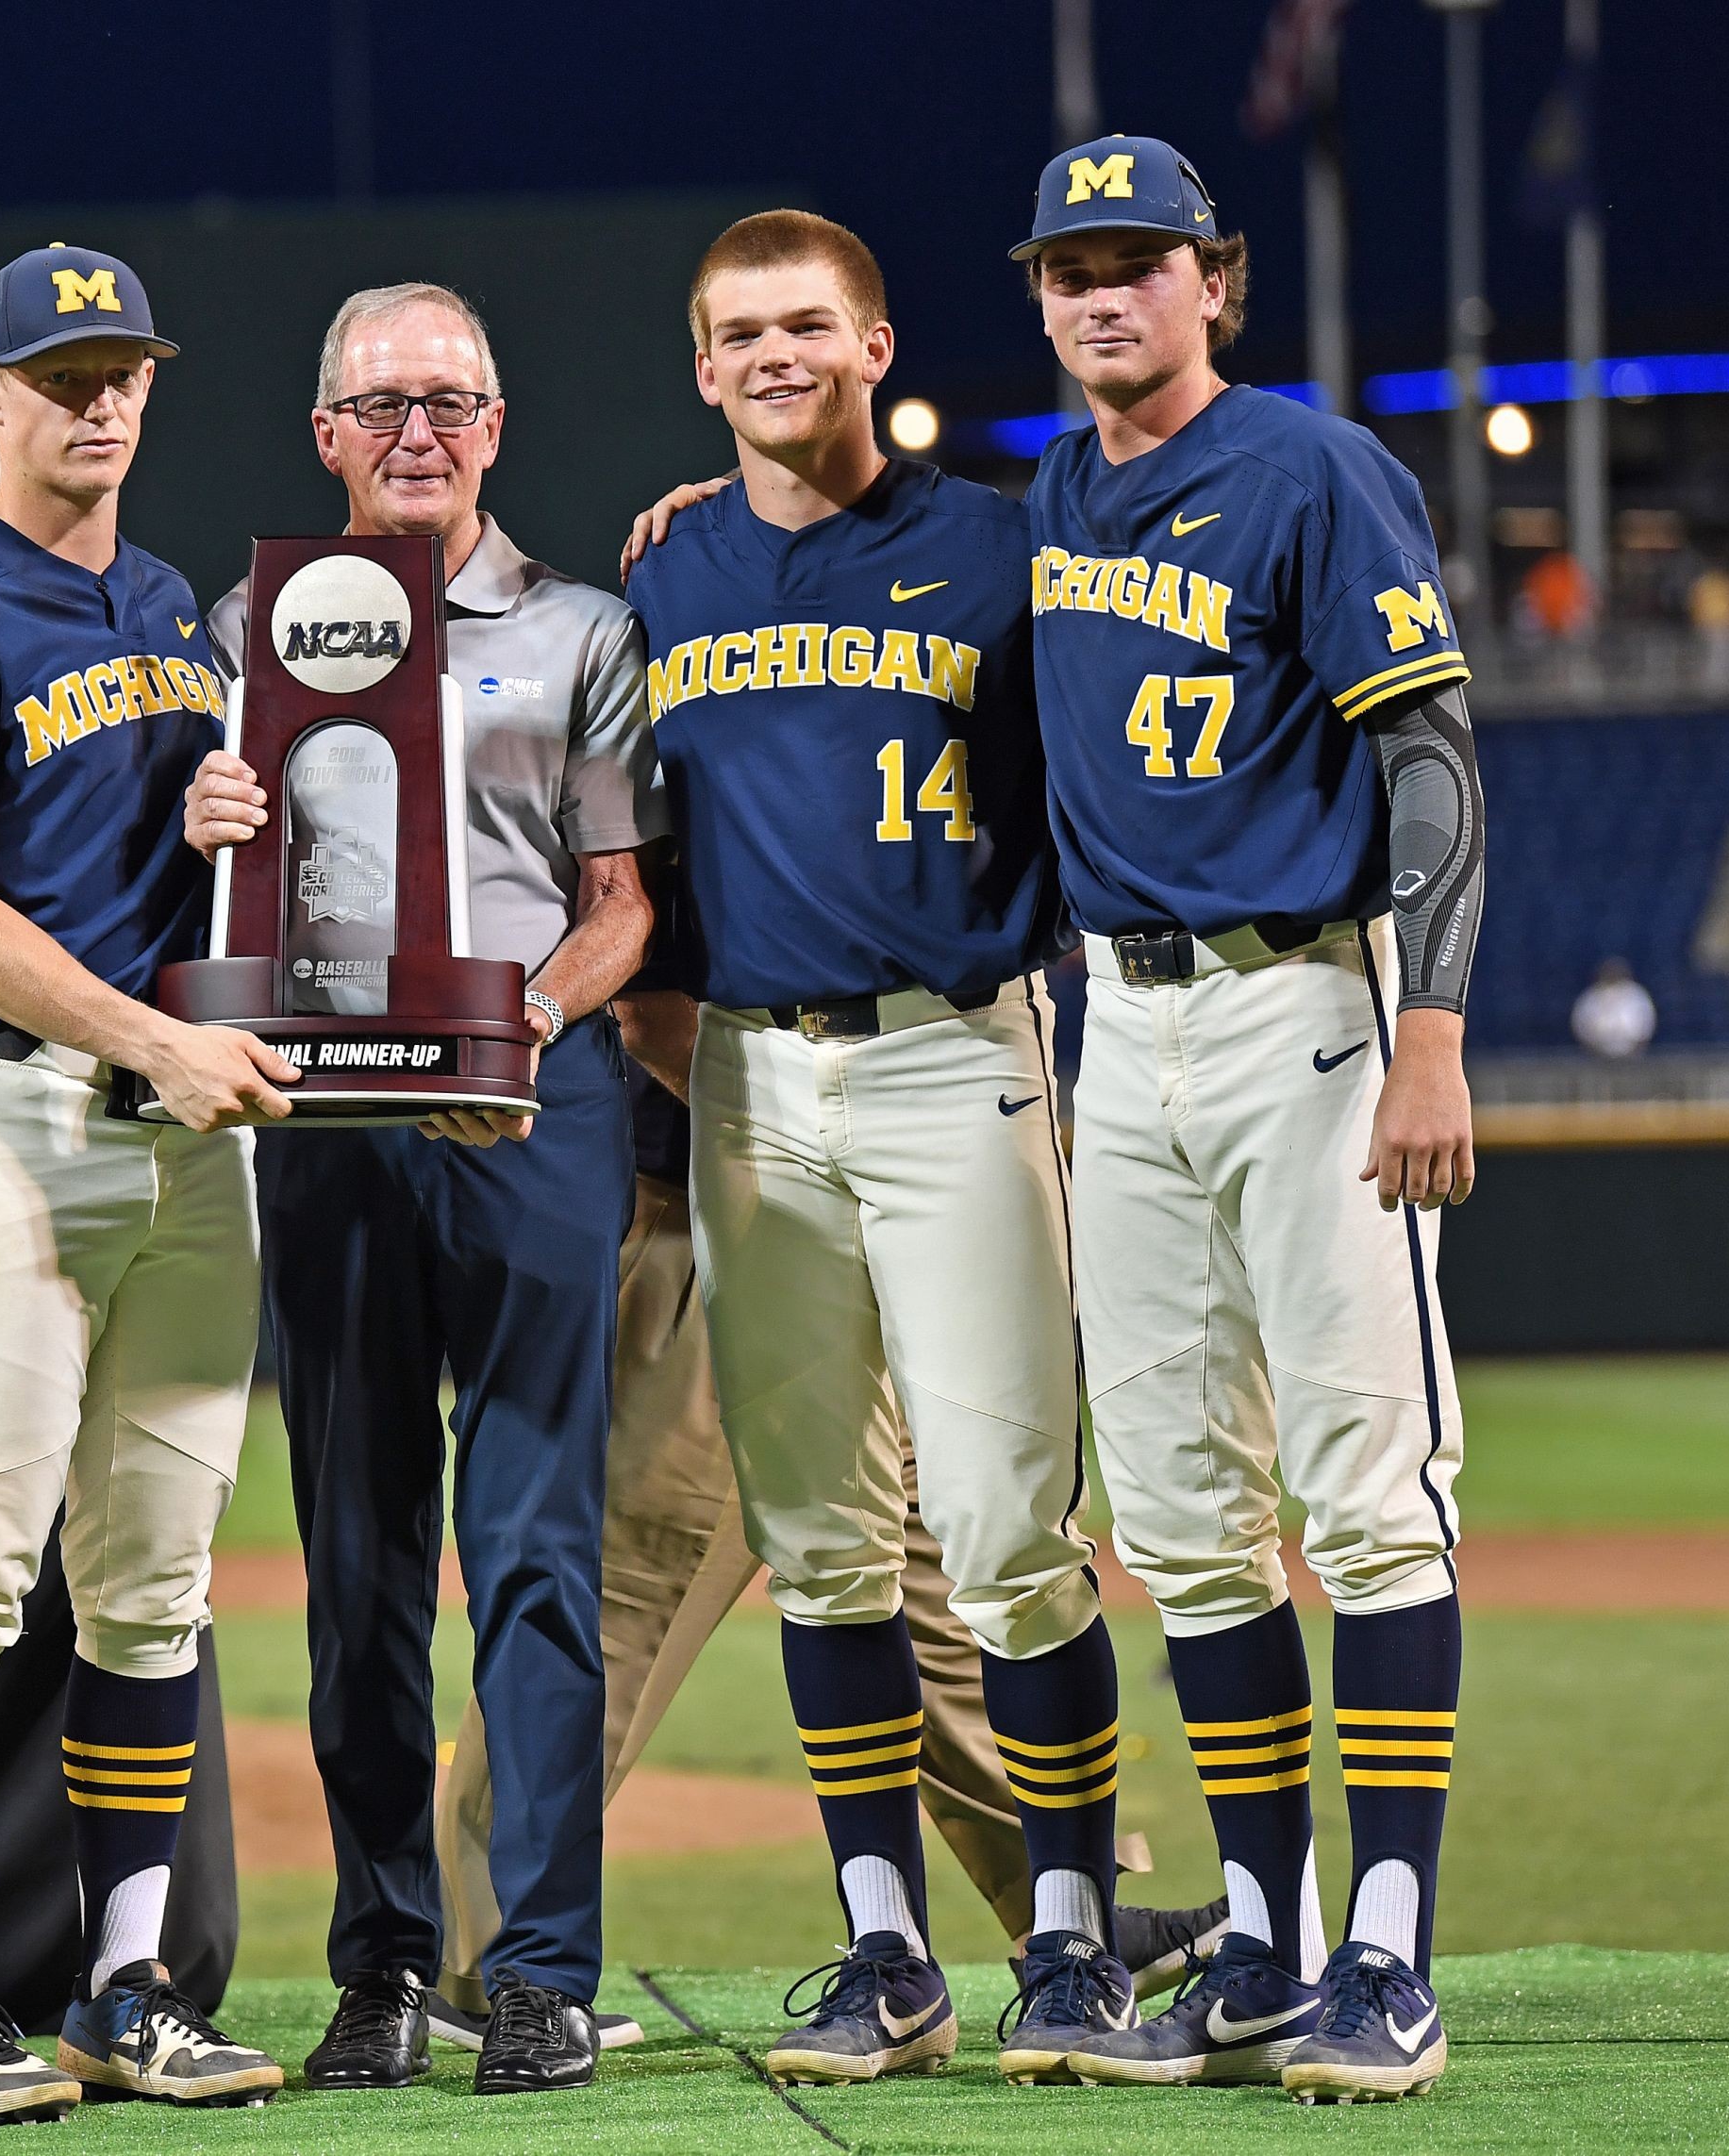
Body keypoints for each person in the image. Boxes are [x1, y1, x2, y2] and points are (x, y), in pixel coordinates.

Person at [590, 210, 1134, 2089]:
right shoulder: (659, 579)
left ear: (878, 342)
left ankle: (1071, 1943)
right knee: (823, 1541)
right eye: (738, 331)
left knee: (1005, 1531)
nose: (771, 354)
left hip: (951, 1061)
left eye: (805, 324)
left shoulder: (999, 546)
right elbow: (630, 870)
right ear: (698, 364)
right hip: (747, 1084)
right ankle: (883, 1948)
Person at [1013, 138, 1488, 2102]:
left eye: (1137, 265)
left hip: (1309, 1007)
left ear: (1215, 279)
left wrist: (1433, 1027)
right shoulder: (1046, 492)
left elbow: (1431, 752)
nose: (1101, 298)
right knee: (1190, 1526)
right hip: (1118, 1031)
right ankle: (1265, 1938)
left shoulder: (1310, 469)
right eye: (1068, 271)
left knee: (1366, 1496)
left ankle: (1390, 1950)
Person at [182, 281, 662, 2096]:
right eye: (382, 406)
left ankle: (535, 1970)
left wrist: (521, 1029)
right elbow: (228, 906)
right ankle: (380, 1962)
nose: (418, 434)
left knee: (536, 1550)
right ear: (325, 434)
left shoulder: (582, 633)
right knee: (357, 1559)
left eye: (450, 402)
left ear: (498, 424)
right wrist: (208, 825)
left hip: (531, 1115)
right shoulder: (244, 630)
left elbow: (622, 905)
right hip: (326, 1127)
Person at [0, 243, 294, 2124]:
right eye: (59, 370)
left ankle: (127, 1985)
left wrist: (214, 816)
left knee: (152, 1584)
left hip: (186, 1136)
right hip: (15, 1118)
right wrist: (154, 1040)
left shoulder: (183, 603)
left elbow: (159, 864)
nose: (96, 397)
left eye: (121, 368)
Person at [427, 1044, 1229, 2032]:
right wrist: (801, 1118)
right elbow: (646, 999)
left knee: (932, 1603)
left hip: (845, 1215)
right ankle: (477, 1962)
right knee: (627, 1602)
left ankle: (1071, 1918)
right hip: (713, 1218)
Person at [1571, 958, 1655, 1059]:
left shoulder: (1637, 995)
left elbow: (1646, 1025)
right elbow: (1581, 1026)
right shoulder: (1591, 996)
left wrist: (1636, 1049)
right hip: (1597, 1056)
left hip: (1631, 1055)